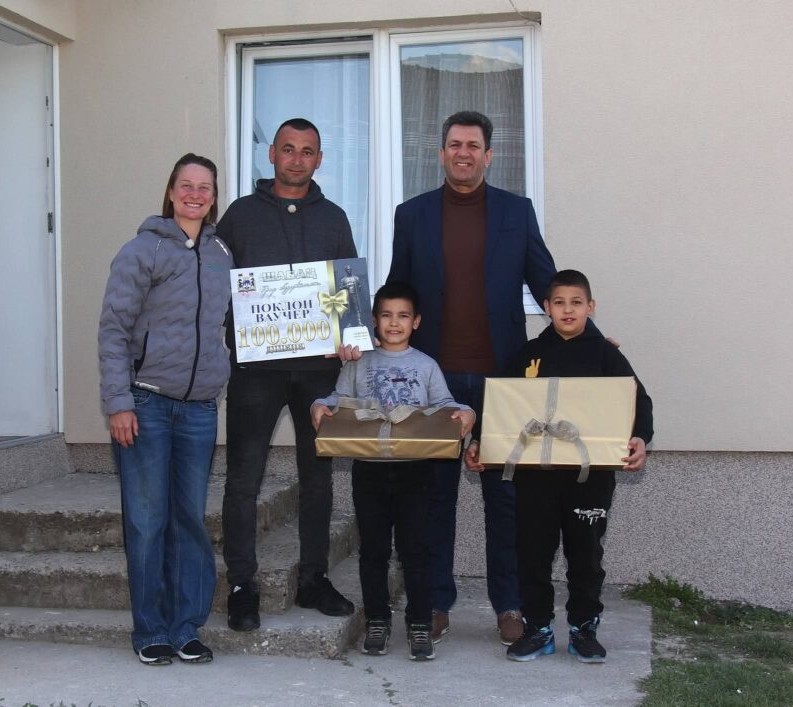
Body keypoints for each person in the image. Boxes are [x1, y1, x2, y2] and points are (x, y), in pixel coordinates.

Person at [386, 110, 560, 646]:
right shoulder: (412, 215)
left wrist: (585, 334)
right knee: (434, 499)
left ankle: (509, 605)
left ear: (489, 155)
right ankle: (436, 603)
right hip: (433, 384)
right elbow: (397, 291)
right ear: (441, 153)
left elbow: (547, 281)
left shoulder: (516, 211)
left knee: (505, 502)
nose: (464, 153)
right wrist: (360, 338)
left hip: (500, 381)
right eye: (455, 145)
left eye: (473, 146)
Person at [465, 269, 653, 663]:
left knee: (585, 556)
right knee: (533, 554)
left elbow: (638, 401)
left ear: (591, 307)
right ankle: (538, 629)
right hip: (536, 478)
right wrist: (481, 441)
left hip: (590, 478)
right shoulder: (527, 354)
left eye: (577, 303)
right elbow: (498, 403)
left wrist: (640, 438)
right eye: (560, 303)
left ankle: (585, 629)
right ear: (546, 307)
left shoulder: (606, 355)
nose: (568, 310)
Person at [219, 118, 358, 631]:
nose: (297, 159)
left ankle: (313, 579)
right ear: (272, 155)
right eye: (288, 149)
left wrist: (351, 333)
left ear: (319, 159)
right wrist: (234, 332)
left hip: (319, 370)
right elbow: (215, 285)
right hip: (256, 370)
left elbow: (347, 288)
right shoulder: (239, 215)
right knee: (243, 479)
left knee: (317, 479)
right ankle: (241, 585)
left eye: (307, 151)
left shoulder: (334, 218)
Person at [98, 153, 233, 665]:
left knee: (190, 522)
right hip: (145, 404)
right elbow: (113, 330)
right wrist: (118, 402)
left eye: (205, 187)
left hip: (199, 410)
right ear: (172, 191)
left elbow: (240, 321)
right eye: (186, 185)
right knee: (147, 522)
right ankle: (150, 630)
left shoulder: (222, 254)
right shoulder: (142, 250)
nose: (195, 194)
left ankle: (185, 628)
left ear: (213, 197)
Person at [311, 282, 475, 661]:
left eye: (403, 316)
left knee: (416, 551)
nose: (394, 323)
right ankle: (377, 620)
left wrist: (467, 412)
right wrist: (319, 404)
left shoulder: (426, 365)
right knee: (373, 551)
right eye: (386, 315)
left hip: (416, 473)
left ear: (416, 322)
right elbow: (337, 399)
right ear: (374, 321)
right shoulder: (358, 362)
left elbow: (446, 405)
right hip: (368, 471)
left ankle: (419, 623)